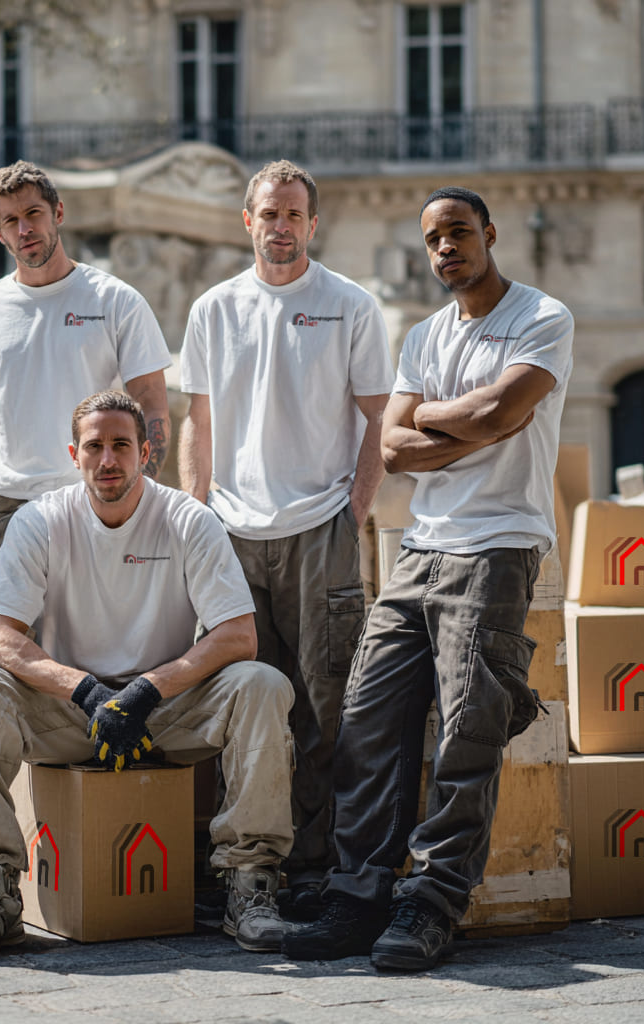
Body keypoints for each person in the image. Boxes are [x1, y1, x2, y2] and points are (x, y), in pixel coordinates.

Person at [282, 186, 574, 971]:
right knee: (369, 717)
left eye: (460, 232)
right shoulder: (422, 335)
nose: (447, 247)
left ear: (489, 233)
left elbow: (499, 415)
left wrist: (448, 418)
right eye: (435, 238)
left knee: (467, 731)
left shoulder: (542, 318)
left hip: (499, 545)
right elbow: (394, 451)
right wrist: (470, 417)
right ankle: (358, 896)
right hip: (420, 548)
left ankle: (433, 903)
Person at [0, 390, 294, 963]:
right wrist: (89, 692)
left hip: (165, 713)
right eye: (95, 447)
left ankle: (250, 883)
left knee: (261, 683)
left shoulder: (187, 519)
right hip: (70, 713)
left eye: (121, 445)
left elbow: (237, 636)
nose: (109, 460)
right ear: (74, 454)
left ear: (146, 452)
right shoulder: (40, 520)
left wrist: (143, 692)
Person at [178, 159, 394, 917]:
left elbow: (380, 417)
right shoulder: (213, 309)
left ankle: (317, 865)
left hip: (318, 529)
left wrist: (353, 512)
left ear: (312, 222)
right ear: (248, 221)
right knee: (241, 702)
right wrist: (194, 513)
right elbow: (196, 422)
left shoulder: (349, 305)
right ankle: (246, 867)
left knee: (325, 707)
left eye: (294, 214)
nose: (281, 226)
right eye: (269, 214)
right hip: (230, 533)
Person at [0, 160, 172, 781]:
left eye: (34, 214)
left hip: (88, 502)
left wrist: (139, 502)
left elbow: (153, 409)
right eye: (10, 221)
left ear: (58, 214)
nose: (25, 229)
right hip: (1, 504)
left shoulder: (115, 300)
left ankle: (79, 789)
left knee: (77, 646)